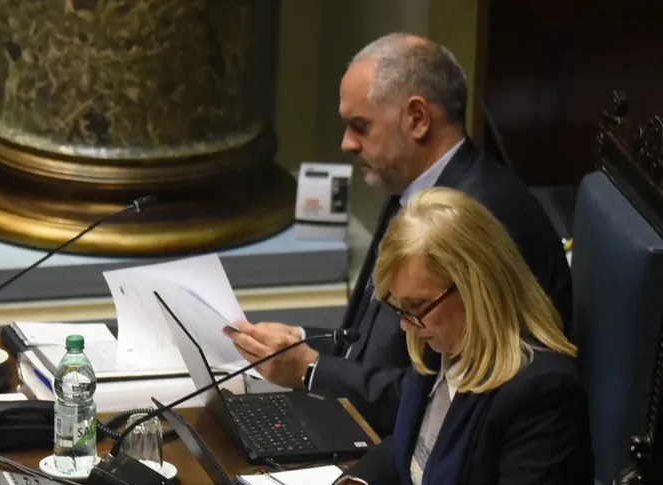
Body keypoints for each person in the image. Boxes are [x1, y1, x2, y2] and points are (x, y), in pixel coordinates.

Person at [290, 187, 647, 485]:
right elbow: (417, 446)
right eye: (400, 308)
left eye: (418, 306)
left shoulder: (543, 390)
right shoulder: (441, 345)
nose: (407, 326)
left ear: (477, 287)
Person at [225, 34, 571, 435]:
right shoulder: (409, 190)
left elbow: (439, 395)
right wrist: (300, 342)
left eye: (360, 126)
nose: (346, 143)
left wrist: (311, 369)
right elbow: (372, 344)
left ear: (417, 119)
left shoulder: (479, 219)